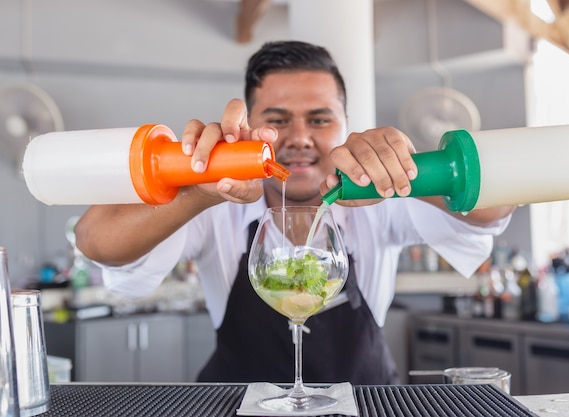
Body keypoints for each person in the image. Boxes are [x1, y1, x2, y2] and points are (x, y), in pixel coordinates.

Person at [75, 40, 514, 385]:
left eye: (320, 120)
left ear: (346, 124)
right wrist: (202, 190)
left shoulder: (381, 206)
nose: (300, 138)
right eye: (278, 120)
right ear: (250, 125)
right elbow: (96, 240)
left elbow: (495, 205)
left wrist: (403, 172)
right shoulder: (215, 207)